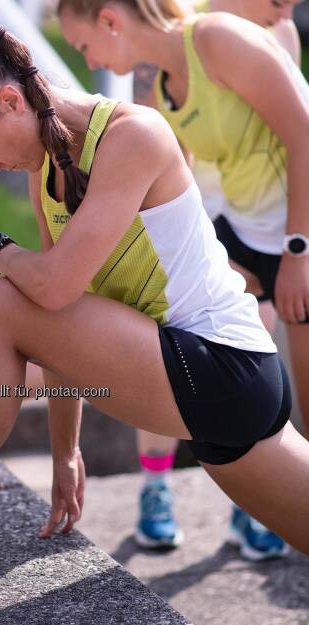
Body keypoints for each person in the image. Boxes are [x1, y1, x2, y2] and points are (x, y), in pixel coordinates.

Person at [0, 12, 309, 614]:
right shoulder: (48, 175)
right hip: (203, 394)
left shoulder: (132, 136)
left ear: (12, 99)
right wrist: (65, 453)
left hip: (223, 370)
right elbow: (64, 319)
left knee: (3, 302)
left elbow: (56, 288)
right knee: (13, 301)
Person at [124, 0, 306, 557]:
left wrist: (294, 248)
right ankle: (155, 488)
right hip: (204, 224)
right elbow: (153, 154)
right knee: (166, 342)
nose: (290, 6)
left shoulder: (279, 33)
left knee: (255, 358)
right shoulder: (163, 39)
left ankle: (252, 507)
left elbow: (295, 137)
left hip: (269, 229)